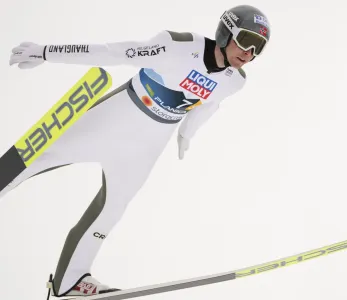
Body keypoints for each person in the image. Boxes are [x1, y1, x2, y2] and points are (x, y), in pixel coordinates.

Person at [5, 4, 271, 298]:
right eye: (247, 40)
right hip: (113, 120)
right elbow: (111, 52)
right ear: (226, 31)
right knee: (35, 159)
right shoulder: (177, 46)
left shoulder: (234, 81)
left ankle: (70, 280)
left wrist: (186, 134)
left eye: (258, 48)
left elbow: (210, 104)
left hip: (146, 147)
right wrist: (45, 52)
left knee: (112, 209)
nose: (249, 53)